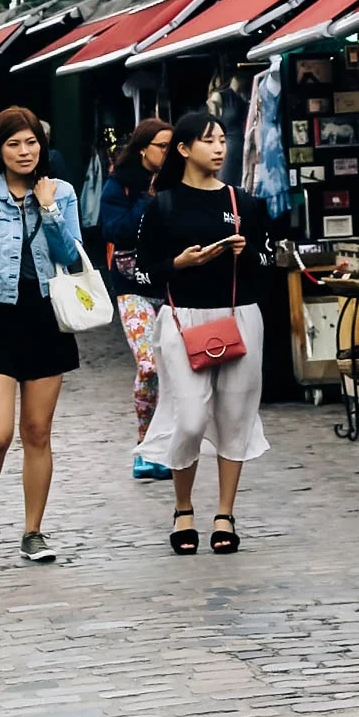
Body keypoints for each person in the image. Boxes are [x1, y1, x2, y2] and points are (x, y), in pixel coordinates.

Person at [135, 109, 272, 556]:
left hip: (238, 317)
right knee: (189, 417)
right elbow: (142, 272)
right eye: (208, 140)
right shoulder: (162, 205)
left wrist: (245, 253)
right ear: (183, 148)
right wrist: (180, 263)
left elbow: (267, 263)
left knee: (235, 416)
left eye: (222, 140)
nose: (218, 148)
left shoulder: (243, 203)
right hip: (182, 320)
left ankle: (225, 514)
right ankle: (183, 508)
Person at [0, 107, 82, 564]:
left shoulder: (61, 192)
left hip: (47, 318)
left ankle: (33, 532)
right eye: (14, 144)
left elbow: (70, 256)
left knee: (37, 432)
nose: (25, 152)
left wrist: (49, 208)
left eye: (31, 143)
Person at [100, 118, 174, 481]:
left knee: (175, 369)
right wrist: (149, 200)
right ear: (144, 148)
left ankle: (168, 446)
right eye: (162, 146)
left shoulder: (180, 180)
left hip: (171, 283)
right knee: (149, 366)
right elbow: (115, 229)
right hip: (131, 286)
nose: (168, 152)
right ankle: (145, 446)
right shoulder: (120, 184)